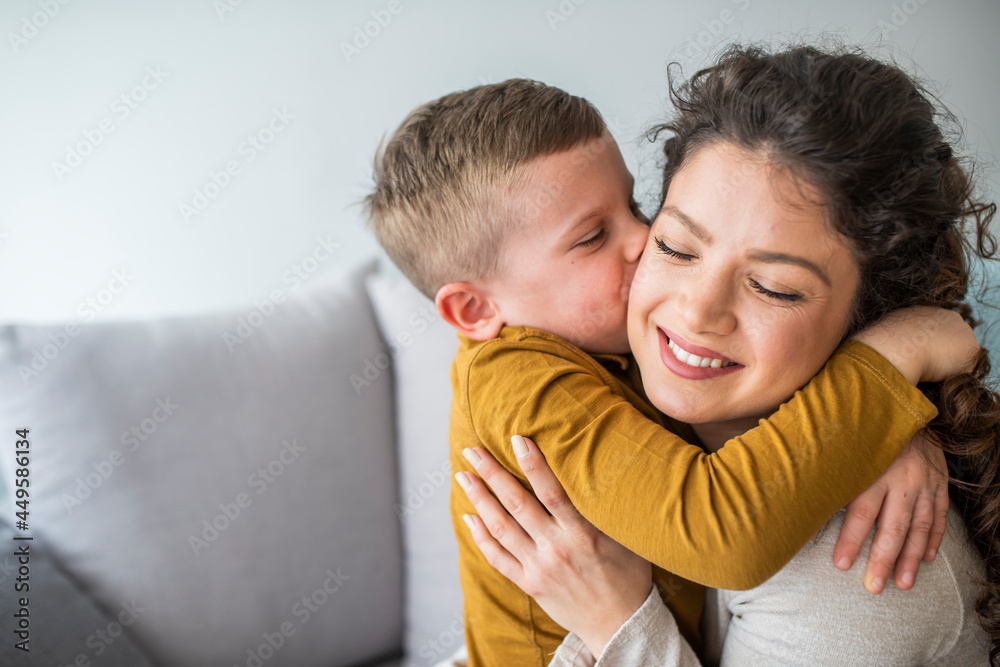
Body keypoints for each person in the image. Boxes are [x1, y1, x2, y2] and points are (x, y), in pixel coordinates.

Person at [365, 78, 978, 666]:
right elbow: (722, 534)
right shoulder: (524, 379)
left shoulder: (591, 335)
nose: (643, 239)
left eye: (636, 206)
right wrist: (890, 365)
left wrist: (891, 425)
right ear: (473, 309)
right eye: (592, 237)